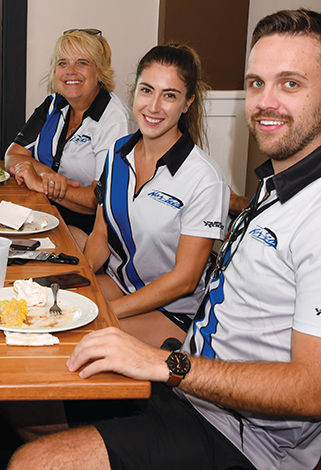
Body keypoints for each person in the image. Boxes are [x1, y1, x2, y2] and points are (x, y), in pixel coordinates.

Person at [0, 9, 321, 470]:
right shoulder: (283, 186)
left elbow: (312, 391)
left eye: (291, 84)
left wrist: (166, 364)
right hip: (200, 399)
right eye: (257, 83)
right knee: (23, 382)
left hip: (244, 447)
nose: (266, 101)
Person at [84, 44, 229, 347]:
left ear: (187, 103)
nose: (154, 106)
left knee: (85, 338)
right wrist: (78, 278)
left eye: (170, 95)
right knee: (47, 311)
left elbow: (185, 279)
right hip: (119, 283)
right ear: (134, 91)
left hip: (172, 310)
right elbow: (100, 232)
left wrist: (105, 311)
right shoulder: (117, 152)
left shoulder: (205, 179)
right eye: (147, 90)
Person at [5, 29, 133, 245]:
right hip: (47, 211)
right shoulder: (54, 104)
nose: (70, 71)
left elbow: (98, 199)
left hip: (93, 229)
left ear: (100, 71)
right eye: (63, 63)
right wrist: (48, 176)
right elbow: (13, 154)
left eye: (82, 63)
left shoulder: (114, 118)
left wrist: (41, 184)